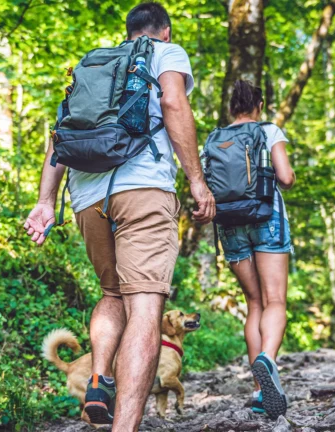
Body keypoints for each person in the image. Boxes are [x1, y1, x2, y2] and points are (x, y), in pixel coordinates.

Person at [23, 3, 215, 430]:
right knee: (146, 308)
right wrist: (197, 182)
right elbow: (173, 102)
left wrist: (45, 201)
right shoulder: (166, 52)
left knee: (113, 295)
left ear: (126, 31)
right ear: (164, 31)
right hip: (143, 188)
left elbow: (61, 134)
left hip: (87, 194)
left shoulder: (94, 63)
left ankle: (99, 376)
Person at [217, 80, 295, 418]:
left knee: (254, 303)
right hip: (267, 216)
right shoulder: (268, 130)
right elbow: (286, 177)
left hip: (230, 222)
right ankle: (268, 359)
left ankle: (260, 390)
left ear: (231, 107)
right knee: (275, 300)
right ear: (258, 105)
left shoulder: (216, 137)